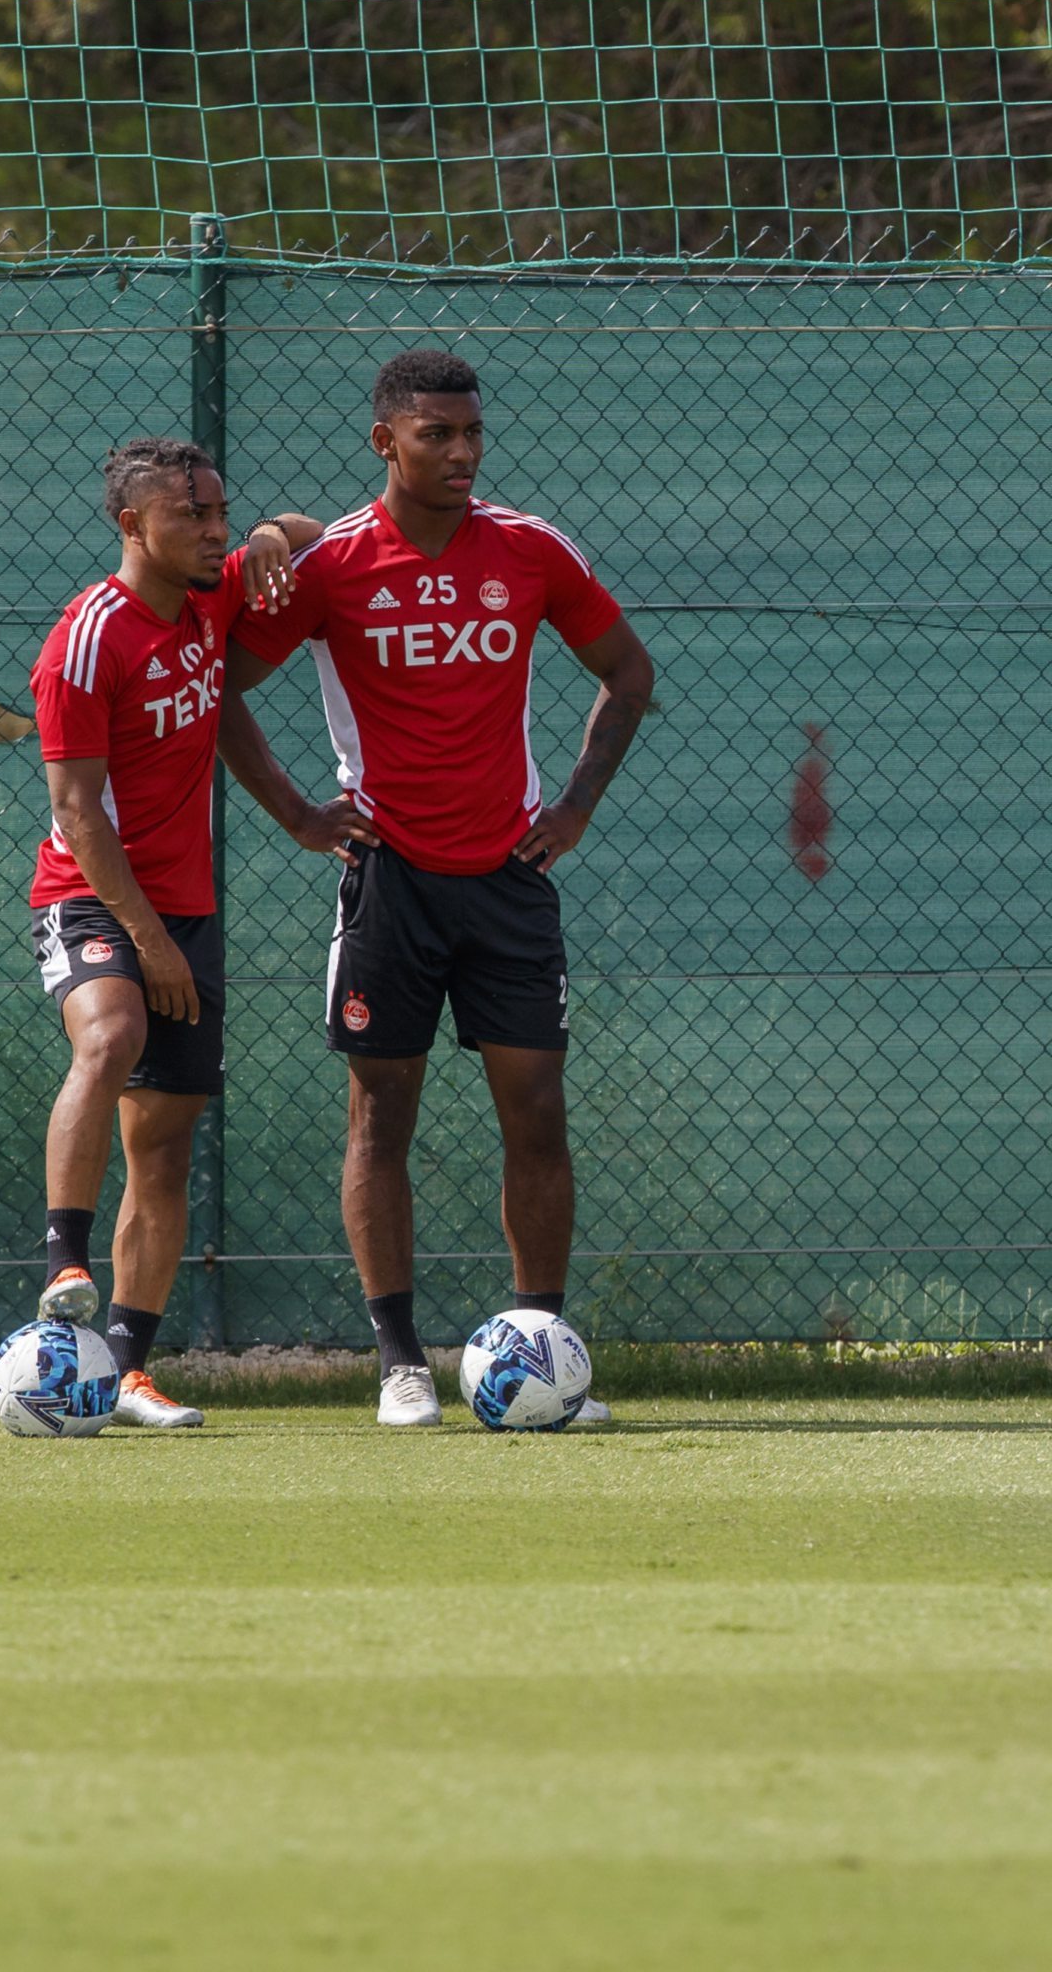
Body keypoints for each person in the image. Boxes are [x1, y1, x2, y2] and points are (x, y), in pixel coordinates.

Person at [220, 349, 655, 1427]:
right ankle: (401, 1364)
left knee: (538, 1116)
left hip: (509, 878)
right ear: (386, 443)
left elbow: (628, 674)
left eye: (471, 435)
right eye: (436, 436)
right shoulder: (328, 569)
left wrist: (577, 808)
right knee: (382, 1117)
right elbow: (219, 682)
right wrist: (298, 815)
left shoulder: (529, 549)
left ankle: (542, 1353)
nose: (461, 453)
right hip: (389, 883)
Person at [28, 437, 367, 1427]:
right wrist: (152, 939)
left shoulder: (214, 599)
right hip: (90, 893)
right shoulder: (87, 639)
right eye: (196, 517)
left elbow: (321, 537)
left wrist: (268, 535)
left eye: (223, 513)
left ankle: (122, 1371)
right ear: (132, 524)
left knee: (166, 1149)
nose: (215, 532)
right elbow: (80, 812)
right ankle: (64, 1263)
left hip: (188, 909)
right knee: (111, 1035)